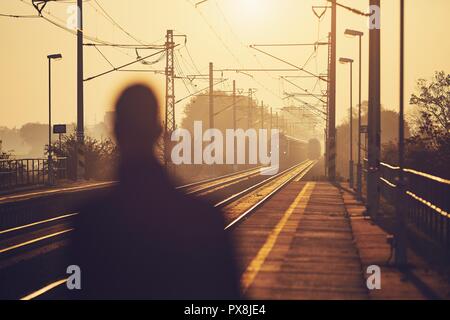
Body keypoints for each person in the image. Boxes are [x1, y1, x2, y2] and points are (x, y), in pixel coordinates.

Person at [71, 83, 240, 299]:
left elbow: (76, 291)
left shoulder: (88, 222)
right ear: (159, 130)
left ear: (115, 131)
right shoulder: (205, 217)